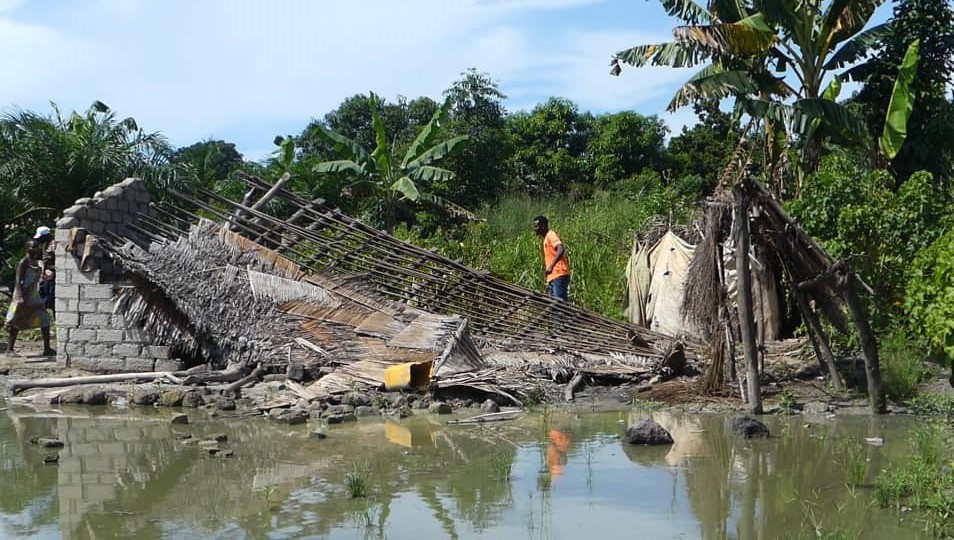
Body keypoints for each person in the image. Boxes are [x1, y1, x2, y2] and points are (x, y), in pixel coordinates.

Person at [4, 240, 55, 356]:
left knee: (45, 320)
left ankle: (47, 349)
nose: (34, 249)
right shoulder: (24, 262)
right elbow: (18, 280)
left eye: (36, 247)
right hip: (22, 294)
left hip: (33, 295)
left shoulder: (37, 261)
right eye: (32, 247)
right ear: (27, 248)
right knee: (16, 320)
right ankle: (9, 349)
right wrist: (20, 297)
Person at [532, 215, 571, 301]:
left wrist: (551, 266)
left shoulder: (551, 234)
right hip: (553, 276)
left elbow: (561, 249)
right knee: (554, 307)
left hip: (559, 273)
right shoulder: (546, 238)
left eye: (536, 226)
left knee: (559, 306)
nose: (535, 228)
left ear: (543, 226)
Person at [34, 226, 56, 311]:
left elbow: (59, 261)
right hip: (46, 277)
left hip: (52, 277)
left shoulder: (53, 244)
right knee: (43, 299)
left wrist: (52, 270)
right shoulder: (46, 244)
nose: (39, 240)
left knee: (52, 300)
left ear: (46, 236)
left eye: (40, 237)